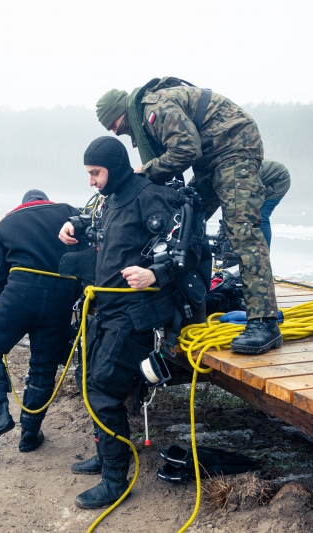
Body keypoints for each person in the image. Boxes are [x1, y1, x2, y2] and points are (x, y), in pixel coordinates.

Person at [59, 136, 202, 509]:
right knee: (88, 381)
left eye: (96, 173)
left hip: (137, 314)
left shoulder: (150, 195)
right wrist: (74, 226)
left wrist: (156, 273)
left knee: (104, 390)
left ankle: (115, 480)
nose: (91, 181)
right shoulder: (110, 199)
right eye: (89, 174)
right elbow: (105, 235)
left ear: (115, 167)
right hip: (105, 310)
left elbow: (189, 248)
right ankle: (107, 456)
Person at [94, 77, 284, 355]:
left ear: (121, 114)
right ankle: (192, 301)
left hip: (234, 149)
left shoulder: (153, 108)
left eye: (114, 124)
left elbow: (186, 149)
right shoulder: (145, 112)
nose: (117, 131)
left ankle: (264, 323)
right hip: (212, 159)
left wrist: (145, 172)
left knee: (243, 233)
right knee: (188, 217)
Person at [0, 189, 81, 454]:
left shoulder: (5, 224)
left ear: (24, 204)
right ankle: (29, 435)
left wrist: (0, 304)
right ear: (46, 200)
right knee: (43, 368)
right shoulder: (69, 212)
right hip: (61, 296)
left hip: (21, 292)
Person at [256, 160, 291, 248]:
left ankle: (265, 252)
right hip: (269, 179)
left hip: (280, 180)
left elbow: (257, 190)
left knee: (262, 216)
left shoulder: (248, 172)